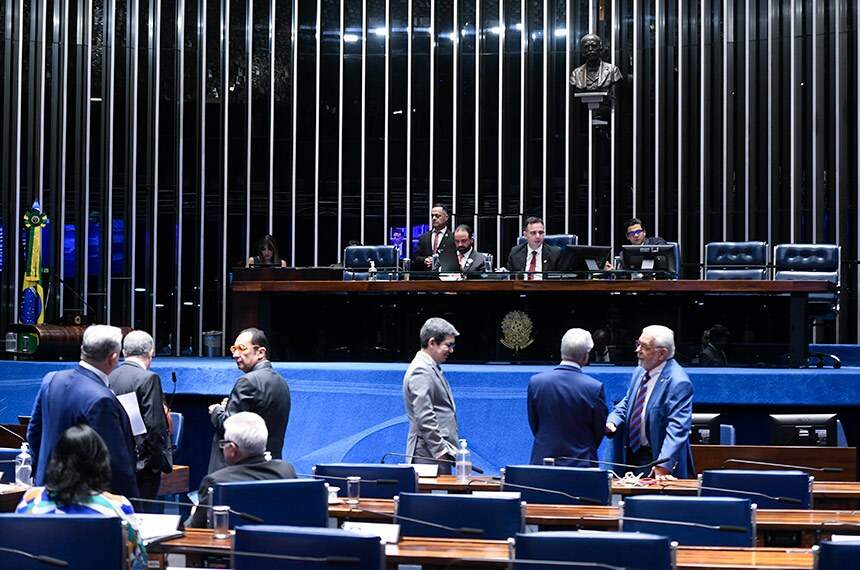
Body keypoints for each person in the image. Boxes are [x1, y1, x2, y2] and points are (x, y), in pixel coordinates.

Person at [27, 325, 139, 498]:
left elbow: (34, 433)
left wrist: (41, 475)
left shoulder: (51, 379)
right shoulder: (102, 399)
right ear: (113, 357)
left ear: (83, 349)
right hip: (85, 500)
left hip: (46, 490)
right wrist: (133, 506)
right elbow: (116, 463)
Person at [16, 425, 147, 570]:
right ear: (102, 463)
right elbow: (139, 564)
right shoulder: (118, 508)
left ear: (55, 461)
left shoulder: (30, 502)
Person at [605, 325, 694, 479]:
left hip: (656, 458)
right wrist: (612, 420)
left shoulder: (678, 382)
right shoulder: (641, 370)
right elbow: (629, 401)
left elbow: (677, 428)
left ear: (661, 353)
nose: (637, 350)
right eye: (638, 344)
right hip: (632, 454)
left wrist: (662, 465)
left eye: (644, 347)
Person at [186, 412, 296, 528]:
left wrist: (193, 515)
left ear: (232, 449)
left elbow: (194, 529)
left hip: (232, 545)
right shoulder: (286, 470)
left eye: (224, 443)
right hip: (282, 544)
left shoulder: (215, 482)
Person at [207, 328, 291, 473]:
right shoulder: (282, 383)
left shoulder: (247, 382)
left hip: (239, 472)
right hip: (270, 469)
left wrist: (217, 410)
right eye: (233, 348)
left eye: (242, 348)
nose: (235, 354)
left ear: (260, 352)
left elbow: (229, 427)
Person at [108, 330, 173, 503]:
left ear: (124, 352)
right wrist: (157, 464)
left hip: (115, 461)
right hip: (143, 467)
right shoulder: (148, 378)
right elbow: (155, 426)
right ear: (151, 353)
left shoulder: (109, 376)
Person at [527, 328, 608, 467]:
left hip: (543, 462)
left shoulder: (536, 382)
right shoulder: (594, 387)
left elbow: (535, 424)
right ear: (585, 355)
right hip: (582, 464)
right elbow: (598, 431)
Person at [402, 317, 460, 474]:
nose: (451, 350)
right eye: (448, 345)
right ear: (432, 342)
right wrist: (440, 450)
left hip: (433, 453)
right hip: (428, 455)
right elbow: (424, 415)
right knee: (428, 499)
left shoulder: (430, 368)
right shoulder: (421, 370)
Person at [414, 205, 453, 269]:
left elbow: (456, 258)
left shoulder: (452, 237)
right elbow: (416, 257)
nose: (434, 218)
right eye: (432, 216)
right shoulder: (424, 237)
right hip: (426, 276)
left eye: (437, 216)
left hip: (445, 275)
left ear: (446, 218)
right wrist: (425, 260)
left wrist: (438, 260)